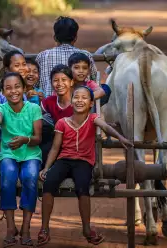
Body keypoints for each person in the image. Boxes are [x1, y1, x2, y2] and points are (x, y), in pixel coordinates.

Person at [37, 86, 133, 246]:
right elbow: (55, 148)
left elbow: (105, 126)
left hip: (83, 162)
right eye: (76, 97)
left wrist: (120, 137)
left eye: (84, 98)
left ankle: (87, 229)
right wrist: (47, 168)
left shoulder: (92, 118)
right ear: (71, 102)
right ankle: (44, 229)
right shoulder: (62, 122)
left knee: (83, 187)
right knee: (49, 183)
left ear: (90, 103)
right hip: (63, 160)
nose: (79, 100)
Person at [0, 72, 42, 247]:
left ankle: (25, 228)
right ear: (3, 92)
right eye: (8, 88)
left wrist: (25, 140)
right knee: (8, 176)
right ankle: (10, 227)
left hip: (31, 153)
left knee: (30, 178)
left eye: (17, 87)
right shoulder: (2, 108)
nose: (13, 91)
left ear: (24, 88)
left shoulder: (34, 108)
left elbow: (38, 138)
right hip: (9, 154)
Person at [36, 16, 97, 97]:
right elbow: (94, 79)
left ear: (55, 38)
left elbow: (35, 84)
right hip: (79, 105)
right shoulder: (86, 55)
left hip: (47, 105)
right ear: (75, 38)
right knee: (105, 88)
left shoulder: (42, 56)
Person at [40, 64, 74, 166]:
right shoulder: (48, 102)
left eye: (64, 80)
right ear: (51, 83)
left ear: (71, 82)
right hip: (54, 144)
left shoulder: (78, 102)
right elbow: (34, 117)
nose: (60, 84)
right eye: (55, 80)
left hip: (73, 145)